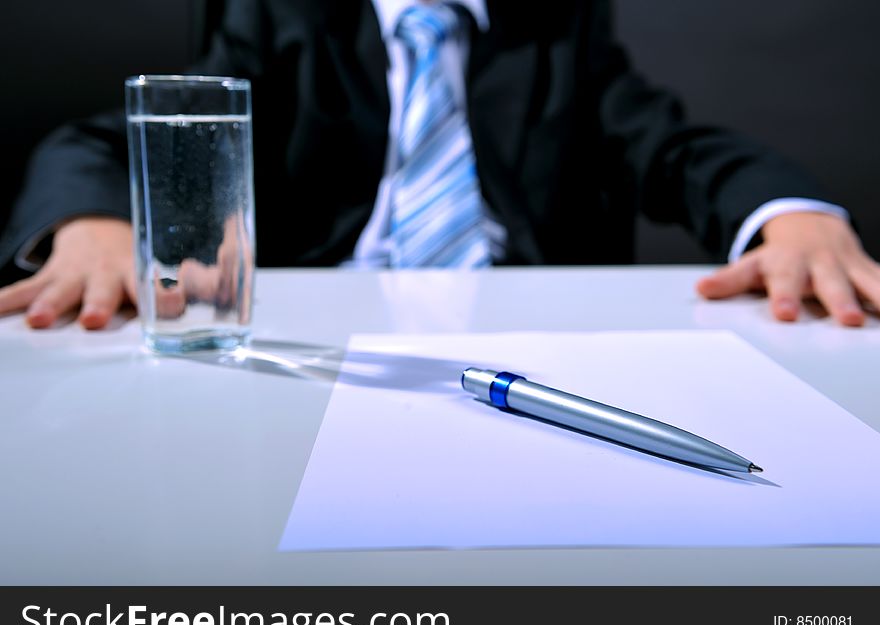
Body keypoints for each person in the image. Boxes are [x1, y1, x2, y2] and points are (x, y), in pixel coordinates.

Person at [0, 0, 877, 330]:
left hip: (531, 326)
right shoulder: (283, 21)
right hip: (320, 327)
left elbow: (673, 146)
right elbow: (116, 137)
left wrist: (790, 212)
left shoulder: (555, 30)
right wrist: (95, 224)